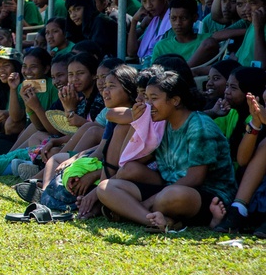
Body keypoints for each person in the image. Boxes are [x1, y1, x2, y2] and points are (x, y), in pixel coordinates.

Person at [96, 65, 235, 231]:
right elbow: (129, 162)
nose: (148, 105)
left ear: (175, 100)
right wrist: (137, 121)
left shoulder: (200, 126)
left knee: (171, 196)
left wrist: (148, 201)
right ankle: (155, 220)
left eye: (153, 98)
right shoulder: (161, 123)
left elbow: (195, 179)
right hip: (168, 187)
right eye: (146, 98)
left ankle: (140, 212)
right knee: (105, 187)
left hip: (203, 193)